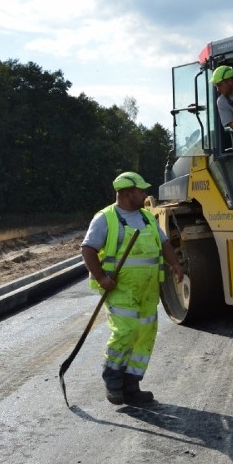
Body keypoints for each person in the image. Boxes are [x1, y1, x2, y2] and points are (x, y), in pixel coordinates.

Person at [81, 171, 184, 405]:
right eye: (141, 191)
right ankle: (113, 379)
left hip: (147, 292)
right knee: (125, 332)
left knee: (144, 336)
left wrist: (175, 264)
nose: (146, 194)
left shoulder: (147, 217)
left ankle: (131, 386)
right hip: (121, 290)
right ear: (127, 194)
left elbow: (164, 243)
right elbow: (88, 249)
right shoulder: (105, 218)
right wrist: (100, 278)